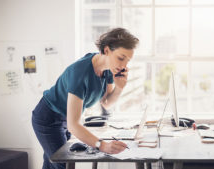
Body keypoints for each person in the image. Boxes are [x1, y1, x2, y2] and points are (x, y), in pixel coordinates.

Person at [31, 28, 139, 169]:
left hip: (65, 119)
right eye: (121, 58)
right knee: (64, 164)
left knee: (53, 164)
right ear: (106, 50)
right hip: (48, 118)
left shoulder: (107, 70)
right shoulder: (80, 73)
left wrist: (119, 87)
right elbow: (74, 124)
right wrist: (102, 145)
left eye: (127, 60)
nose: (124, 65)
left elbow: (106, 103)